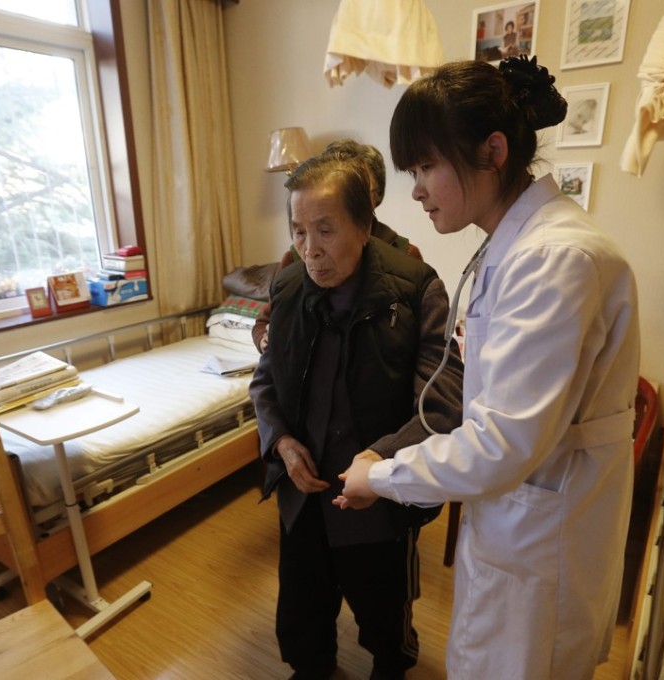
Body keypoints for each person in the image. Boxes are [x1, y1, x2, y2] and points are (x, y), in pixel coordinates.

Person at [334, 55, 641, 680]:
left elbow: (503, 442)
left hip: (541, 535)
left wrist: (382, 475)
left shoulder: (555, 258)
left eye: (426, 166)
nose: (416, 189)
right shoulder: (517, 247)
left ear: (493, 151)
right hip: (520, 519)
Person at [249, 153, 463, 680]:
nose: (310, 249)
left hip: (379, 497)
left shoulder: (416, 288)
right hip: (303, 493)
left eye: (325, 230)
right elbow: (265, 381)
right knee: (303, 613)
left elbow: (441, 404)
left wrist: (379, 461)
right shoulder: (287, 287)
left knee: (385, 618)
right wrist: (281, 442)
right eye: (299, 231)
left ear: (365, 226)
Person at [251, 139, 421, 353]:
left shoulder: (404, 257)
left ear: (376, 196)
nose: (312, 251)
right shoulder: (295, 261)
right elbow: (266, 322)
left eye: (360, 188)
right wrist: (267, 343)